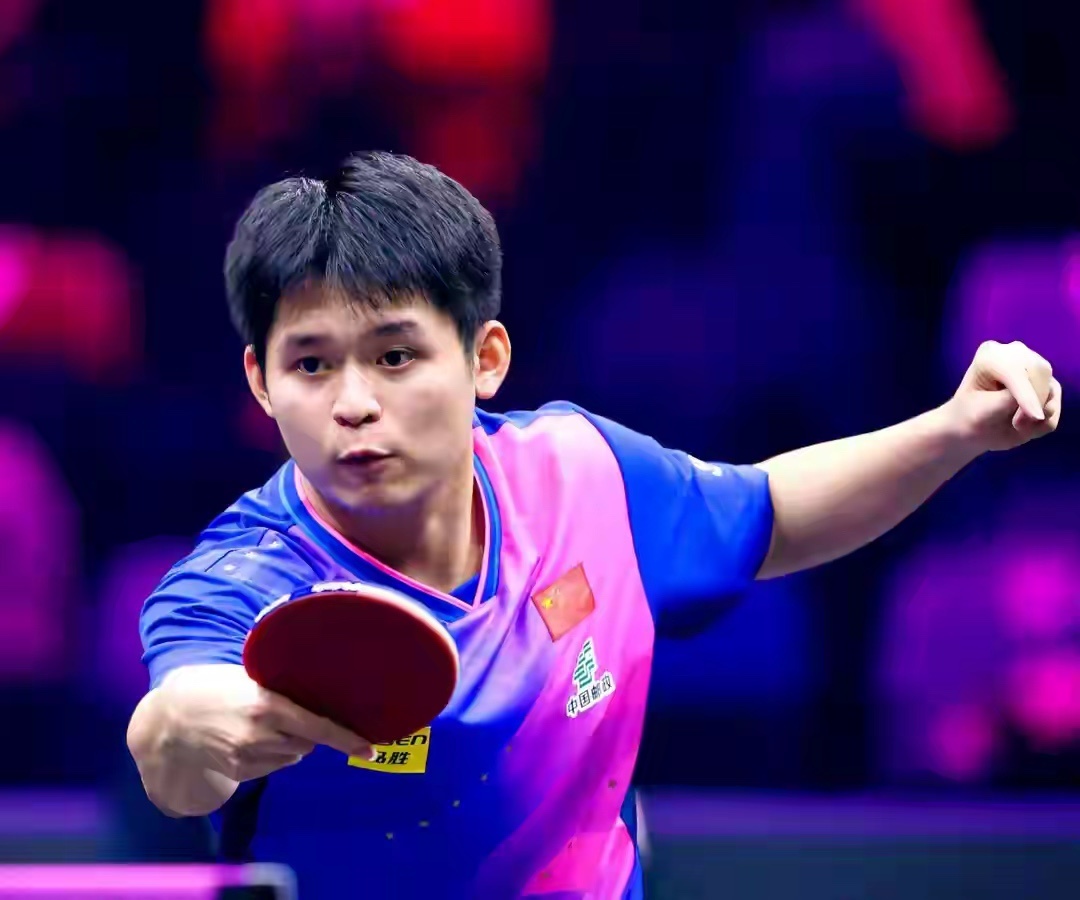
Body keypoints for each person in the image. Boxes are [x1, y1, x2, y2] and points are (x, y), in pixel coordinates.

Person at [126, 151, 1062, 898]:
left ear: (485, 358)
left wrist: (956, 429)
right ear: (260, 383)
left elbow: (772, 511)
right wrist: (184, 728)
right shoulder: (240, 582)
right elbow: (175, 748)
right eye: (311, 365)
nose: (355, 402)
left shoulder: (585, 473)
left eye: (396, 355)